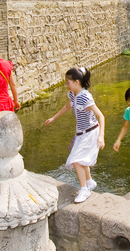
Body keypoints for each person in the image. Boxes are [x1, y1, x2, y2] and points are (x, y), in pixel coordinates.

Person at [44, 67, 105, 203]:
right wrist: (53, 118)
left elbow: (101, 116)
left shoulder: (85, 97)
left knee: (76, 160)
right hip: (81, 133)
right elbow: (67, 107)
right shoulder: (73, 94)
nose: (66, 85)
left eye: (68, 82)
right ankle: (89, 183)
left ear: (77, 82)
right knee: (80, 159)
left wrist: (101, 136)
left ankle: (84, 190)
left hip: (90, 132)